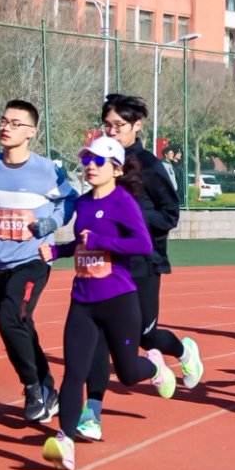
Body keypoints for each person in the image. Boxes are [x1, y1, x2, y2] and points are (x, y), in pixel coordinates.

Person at [37, 136, 177, 470]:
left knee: (128, 373)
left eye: (98, 161)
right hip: (83, 300)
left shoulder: (124, 201)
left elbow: (142, 244)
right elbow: (82, 243)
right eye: (87, 159)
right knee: (75, 372)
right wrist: (57, 251)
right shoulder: (84, 203)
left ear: (116, 168)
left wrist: (102, 240)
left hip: (118, 300)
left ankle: (154, 366)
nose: (90, 166)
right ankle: (65, 441)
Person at [79, 93, 201, 441]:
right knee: (99, 338)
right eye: (107, 125)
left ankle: (183, 351)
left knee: (146, 337)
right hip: (104, 264)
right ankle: (92, 413)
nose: (111, 131)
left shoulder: (150, 166)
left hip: (142, 265)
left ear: (137, 126)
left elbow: (170, 214)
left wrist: (130, 219)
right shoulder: (100, 162)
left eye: (119, 125)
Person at [0, 99, 77, 423]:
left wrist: (51, 224)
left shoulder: (47, 170)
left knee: (10, 319)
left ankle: (32, 389)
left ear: (32, 132)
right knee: (19, 327)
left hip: (33, 261)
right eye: (3, 121)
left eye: (15, 123)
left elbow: (69, 201)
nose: (6, 127)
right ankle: (47, 389)